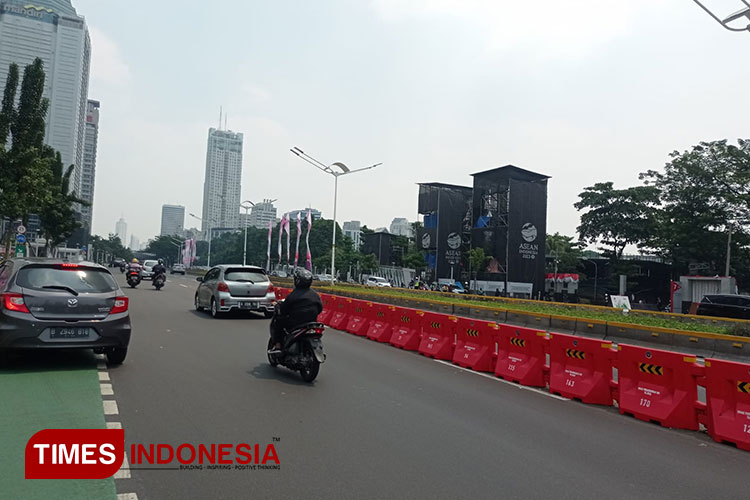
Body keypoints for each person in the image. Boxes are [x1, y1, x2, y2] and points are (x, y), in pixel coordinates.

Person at [269, 268, 323, 353]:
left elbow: (283, 310)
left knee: (278, 321)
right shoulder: (315, 295)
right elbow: (320, 308)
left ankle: (278, 345)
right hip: (311, 323)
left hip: (295, 324)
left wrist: (278, 307)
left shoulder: (293, 295)